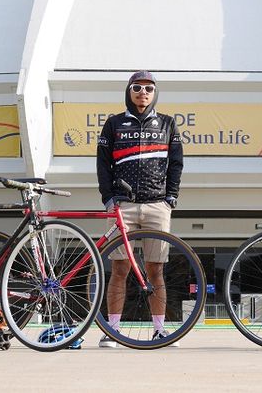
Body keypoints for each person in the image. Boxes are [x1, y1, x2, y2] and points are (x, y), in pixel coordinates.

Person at [96, 70, 184, 348]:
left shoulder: (168, 124)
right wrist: (109, 198)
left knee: (155, 270)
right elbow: (102, 164)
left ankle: (159, 331)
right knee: (119, 268)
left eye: (148, 88)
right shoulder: (113, 124)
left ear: (155, 92)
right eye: (137, 87)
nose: (142, 93)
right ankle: (112, 330)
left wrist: (171, 197)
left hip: (157, 204)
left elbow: (176, 164)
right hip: (122, 206)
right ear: (129, 91)